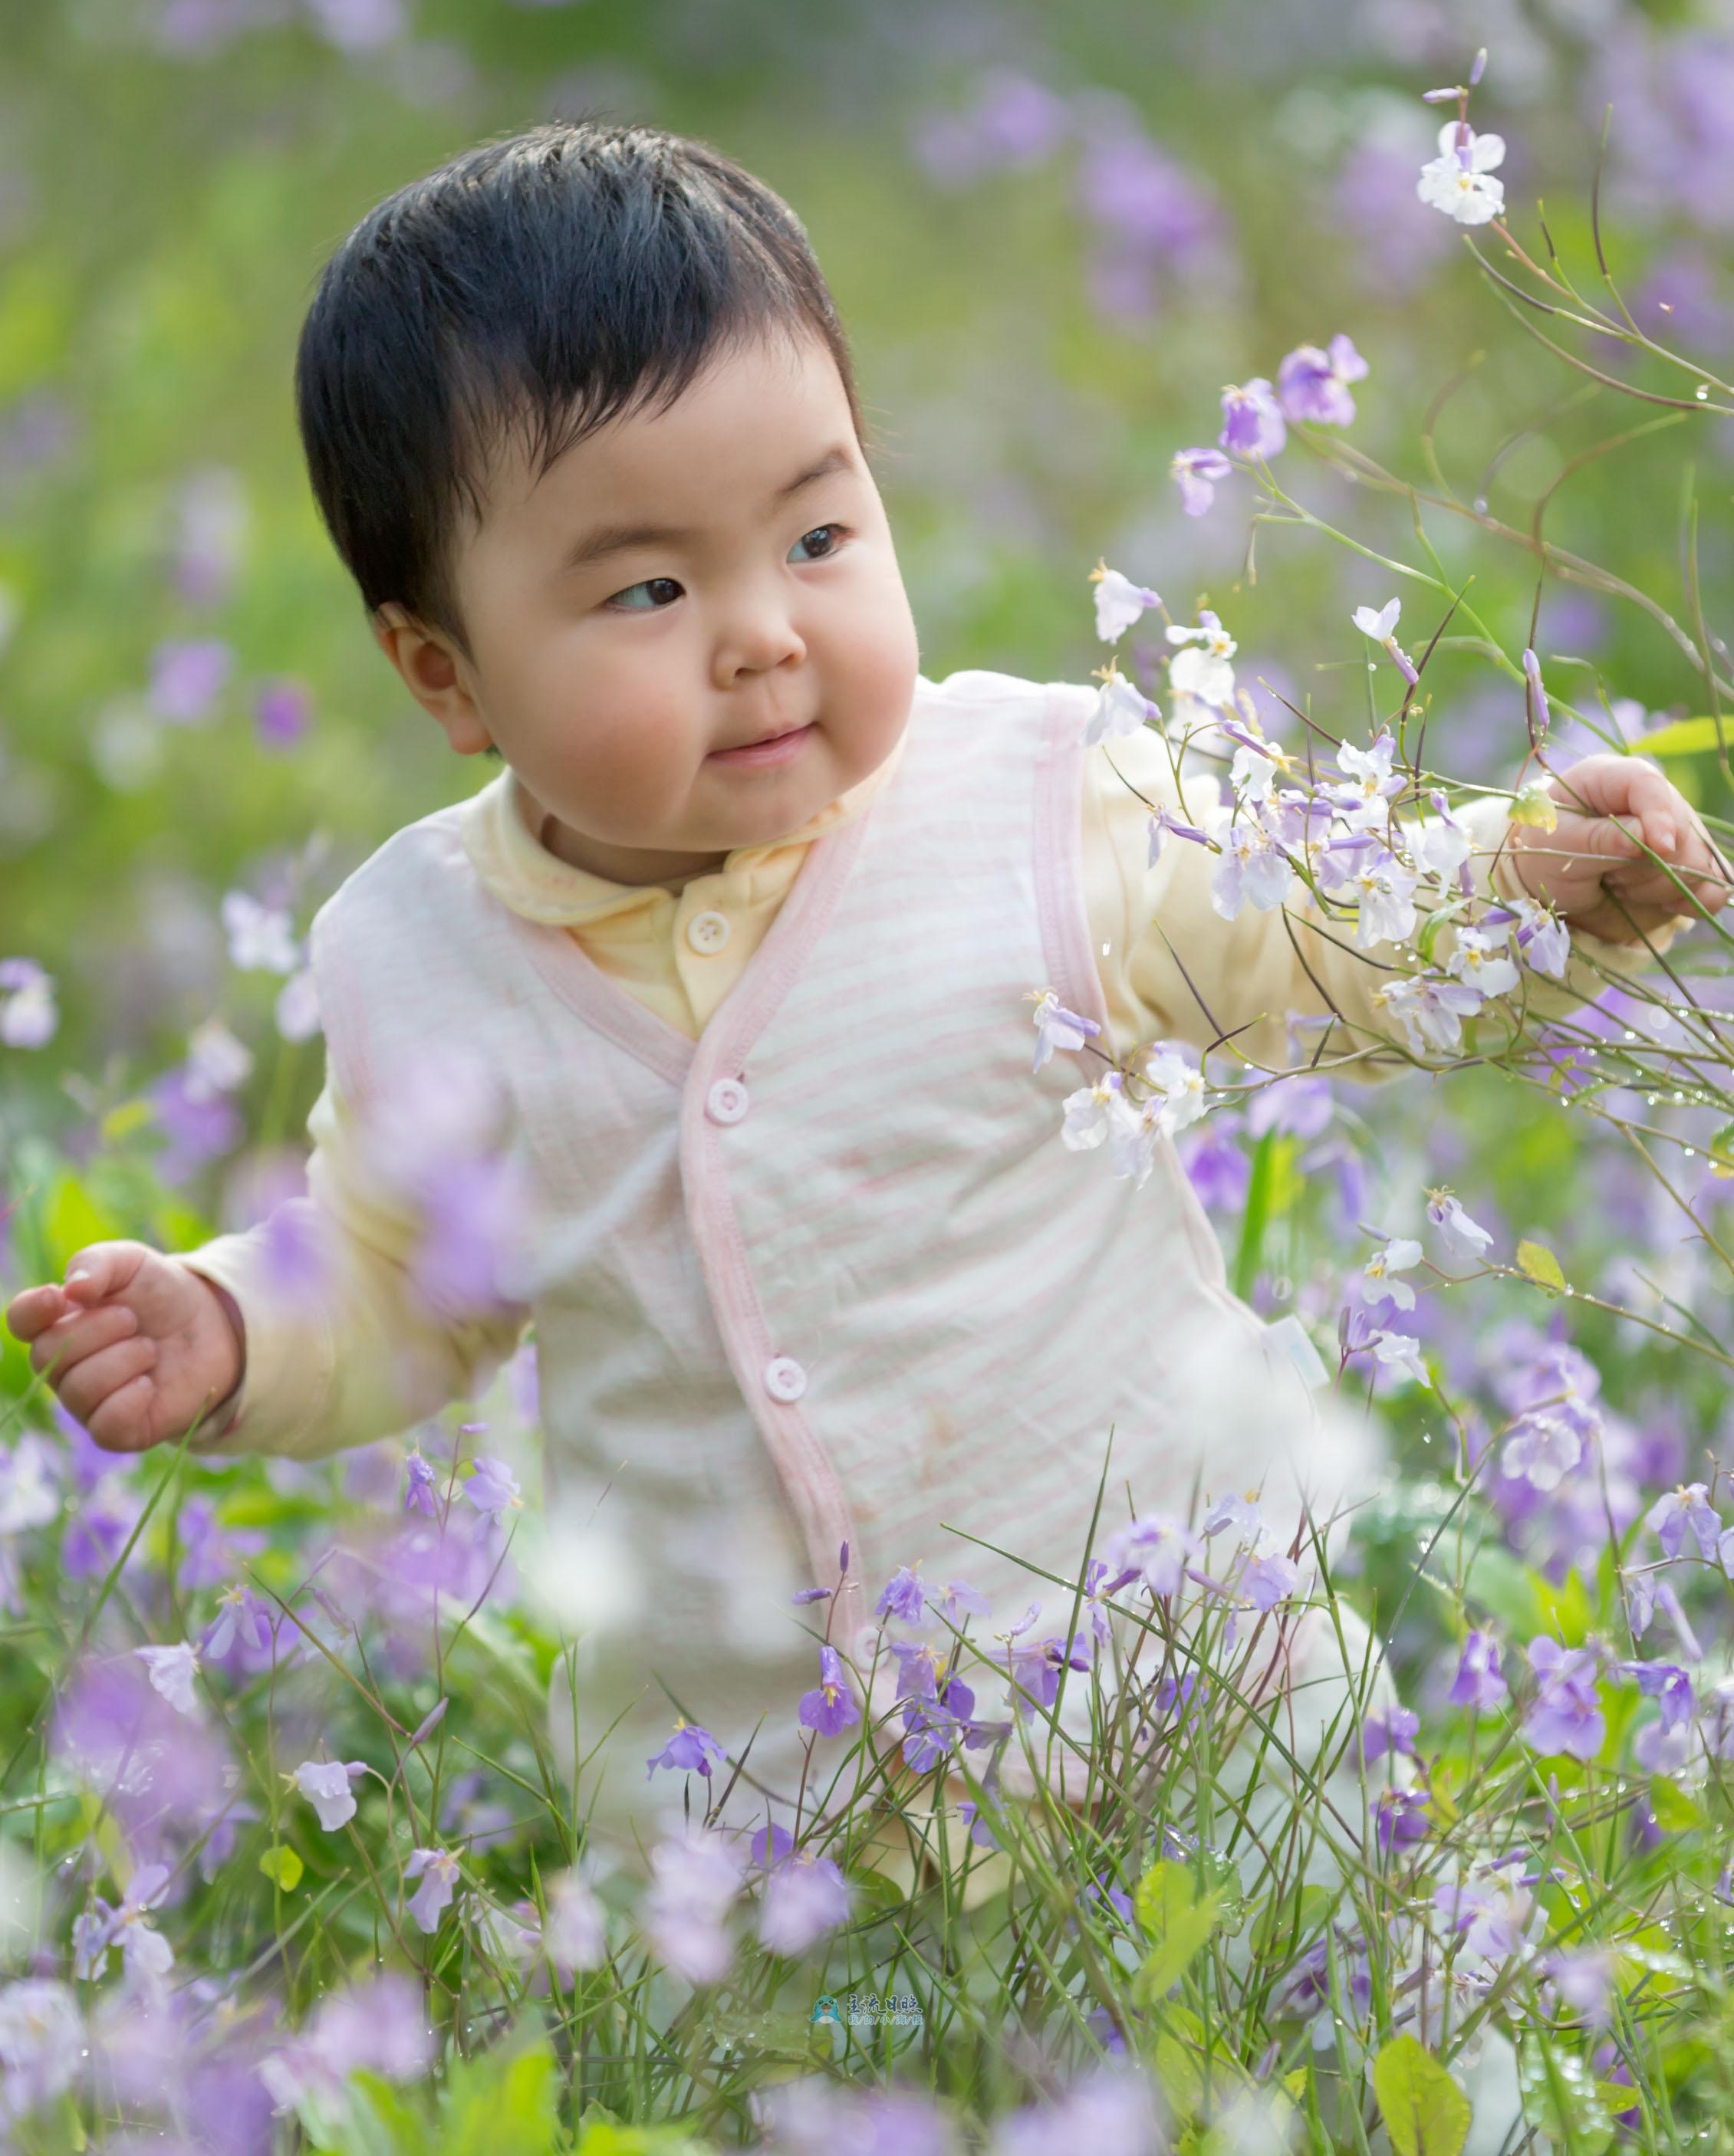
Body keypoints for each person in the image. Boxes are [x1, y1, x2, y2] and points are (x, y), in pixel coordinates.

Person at [6, 127, 1722, 1959]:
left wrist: (1521, 883)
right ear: (445, 671)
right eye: (647, 590)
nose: (763, 634)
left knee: (1337, 2025)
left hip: (1200, 1706)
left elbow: (1299, 909)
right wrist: (239, 1322)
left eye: (820, 536)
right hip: (757, 1824)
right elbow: (398, 1272)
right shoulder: (419, 954)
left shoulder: (1033, 798)